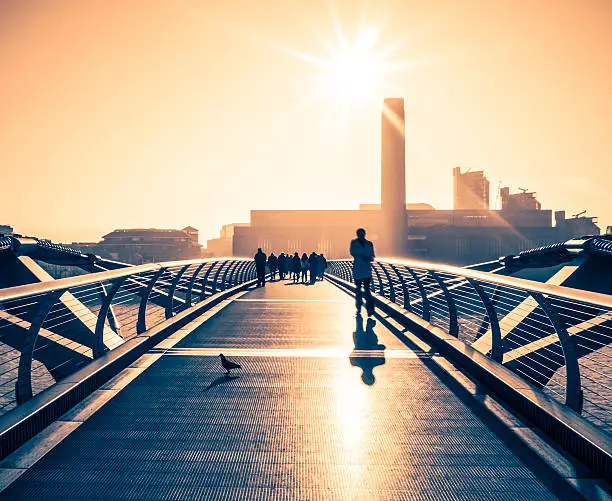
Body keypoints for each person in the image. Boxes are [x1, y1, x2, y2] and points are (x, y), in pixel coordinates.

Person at [350, 228, 375, 316]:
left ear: (365, 234)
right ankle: (359, 306)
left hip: (366, 270)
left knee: (367, 290)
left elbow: (373, 256)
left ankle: (370, 309)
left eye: (362, 234)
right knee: (358, 289)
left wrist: (369, 258)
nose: (361, 236)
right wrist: (363, 256)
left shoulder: (369, 244)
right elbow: (352, 252)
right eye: (359, 234)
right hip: (358, 269)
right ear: (357, 235)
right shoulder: (353, 243)